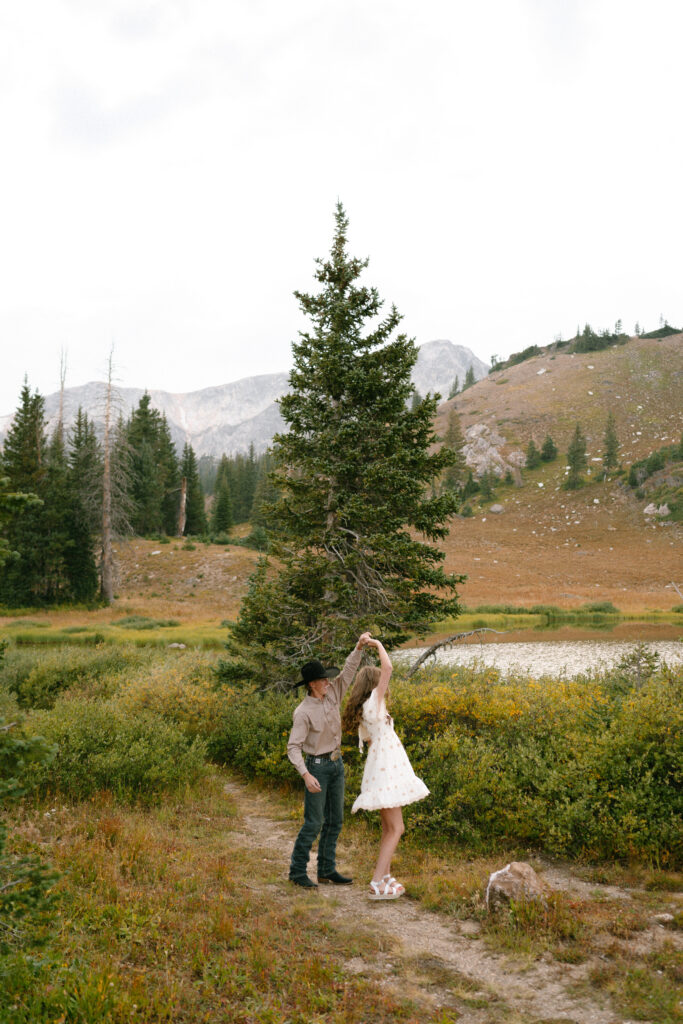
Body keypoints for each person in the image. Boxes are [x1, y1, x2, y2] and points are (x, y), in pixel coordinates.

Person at [341, 637, 429, 900]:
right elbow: (389, 669)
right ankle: (377, 882)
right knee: (397, 828)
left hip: (380, 767)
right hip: (388, 769)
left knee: (389, 828)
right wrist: (377, 644)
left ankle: (386, 876)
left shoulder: (366, 711)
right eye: (379, 681)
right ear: (373, 684)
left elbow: (369, 741)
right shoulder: (374, 701)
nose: (385, 685)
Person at [287, 632, 372, 888]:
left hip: (337, 765)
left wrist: (358, 646)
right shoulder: (302, 713)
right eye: (323, 679)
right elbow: (293, 747)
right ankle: (297, 872)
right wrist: (306, 774)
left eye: (327, 678)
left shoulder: (333, 692)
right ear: (311, 684)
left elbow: (348, 671)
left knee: (336, 820)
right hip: (317, 768)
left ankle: (326, 870)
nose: (328, 681)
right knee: (314, 823)